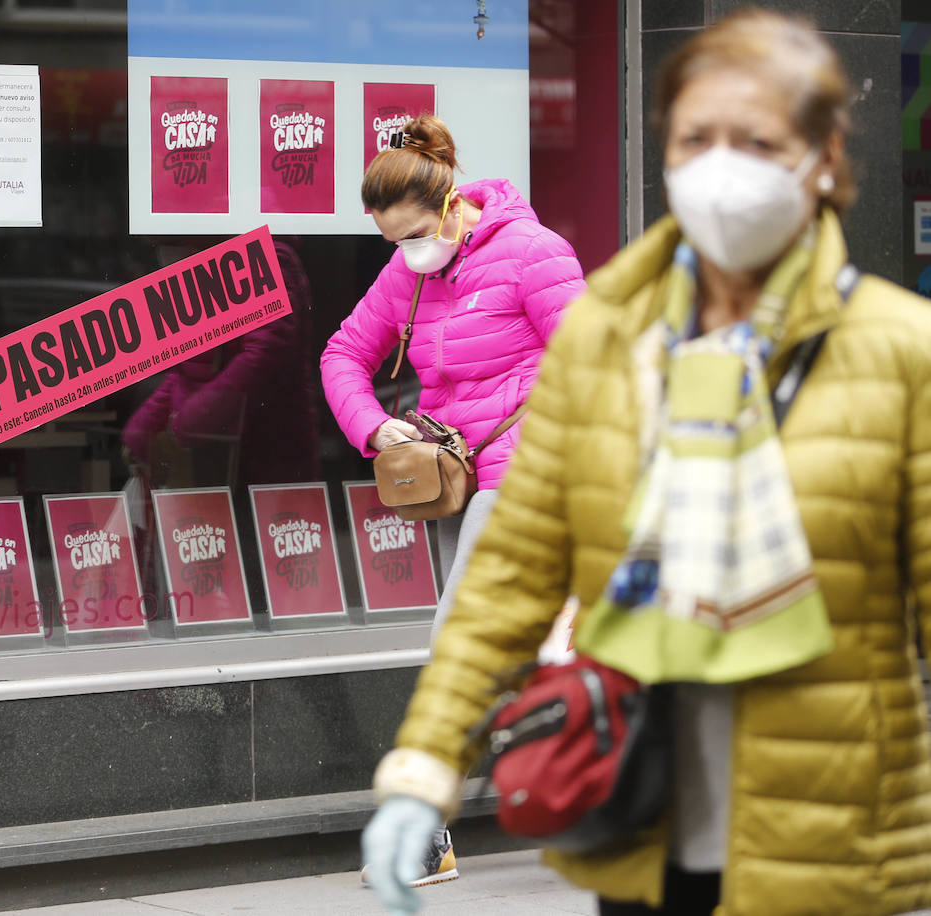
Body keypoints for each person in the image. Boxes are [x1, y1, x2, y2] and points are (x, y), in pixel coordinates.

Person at [361, 10, 931, 916]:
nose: (723, 165)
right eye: (698, 137)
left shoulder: (902, 351)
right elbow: (507, 581)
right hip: (644, 826)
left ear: (824, 158)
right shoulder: (609, 337)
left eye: (757, 138)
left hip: (829, 842)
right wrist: (426, 763)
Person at [320, 115, 584, 885]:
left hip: (530, 479)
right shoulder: (412, 269)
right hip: (452, 482)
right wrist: (376, 431)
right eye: (390, 242)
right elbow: (344, 353)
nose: (405, 255)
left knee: (457, 647)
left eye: (411, 236)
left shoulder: (535, 254)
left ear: (450, 207)